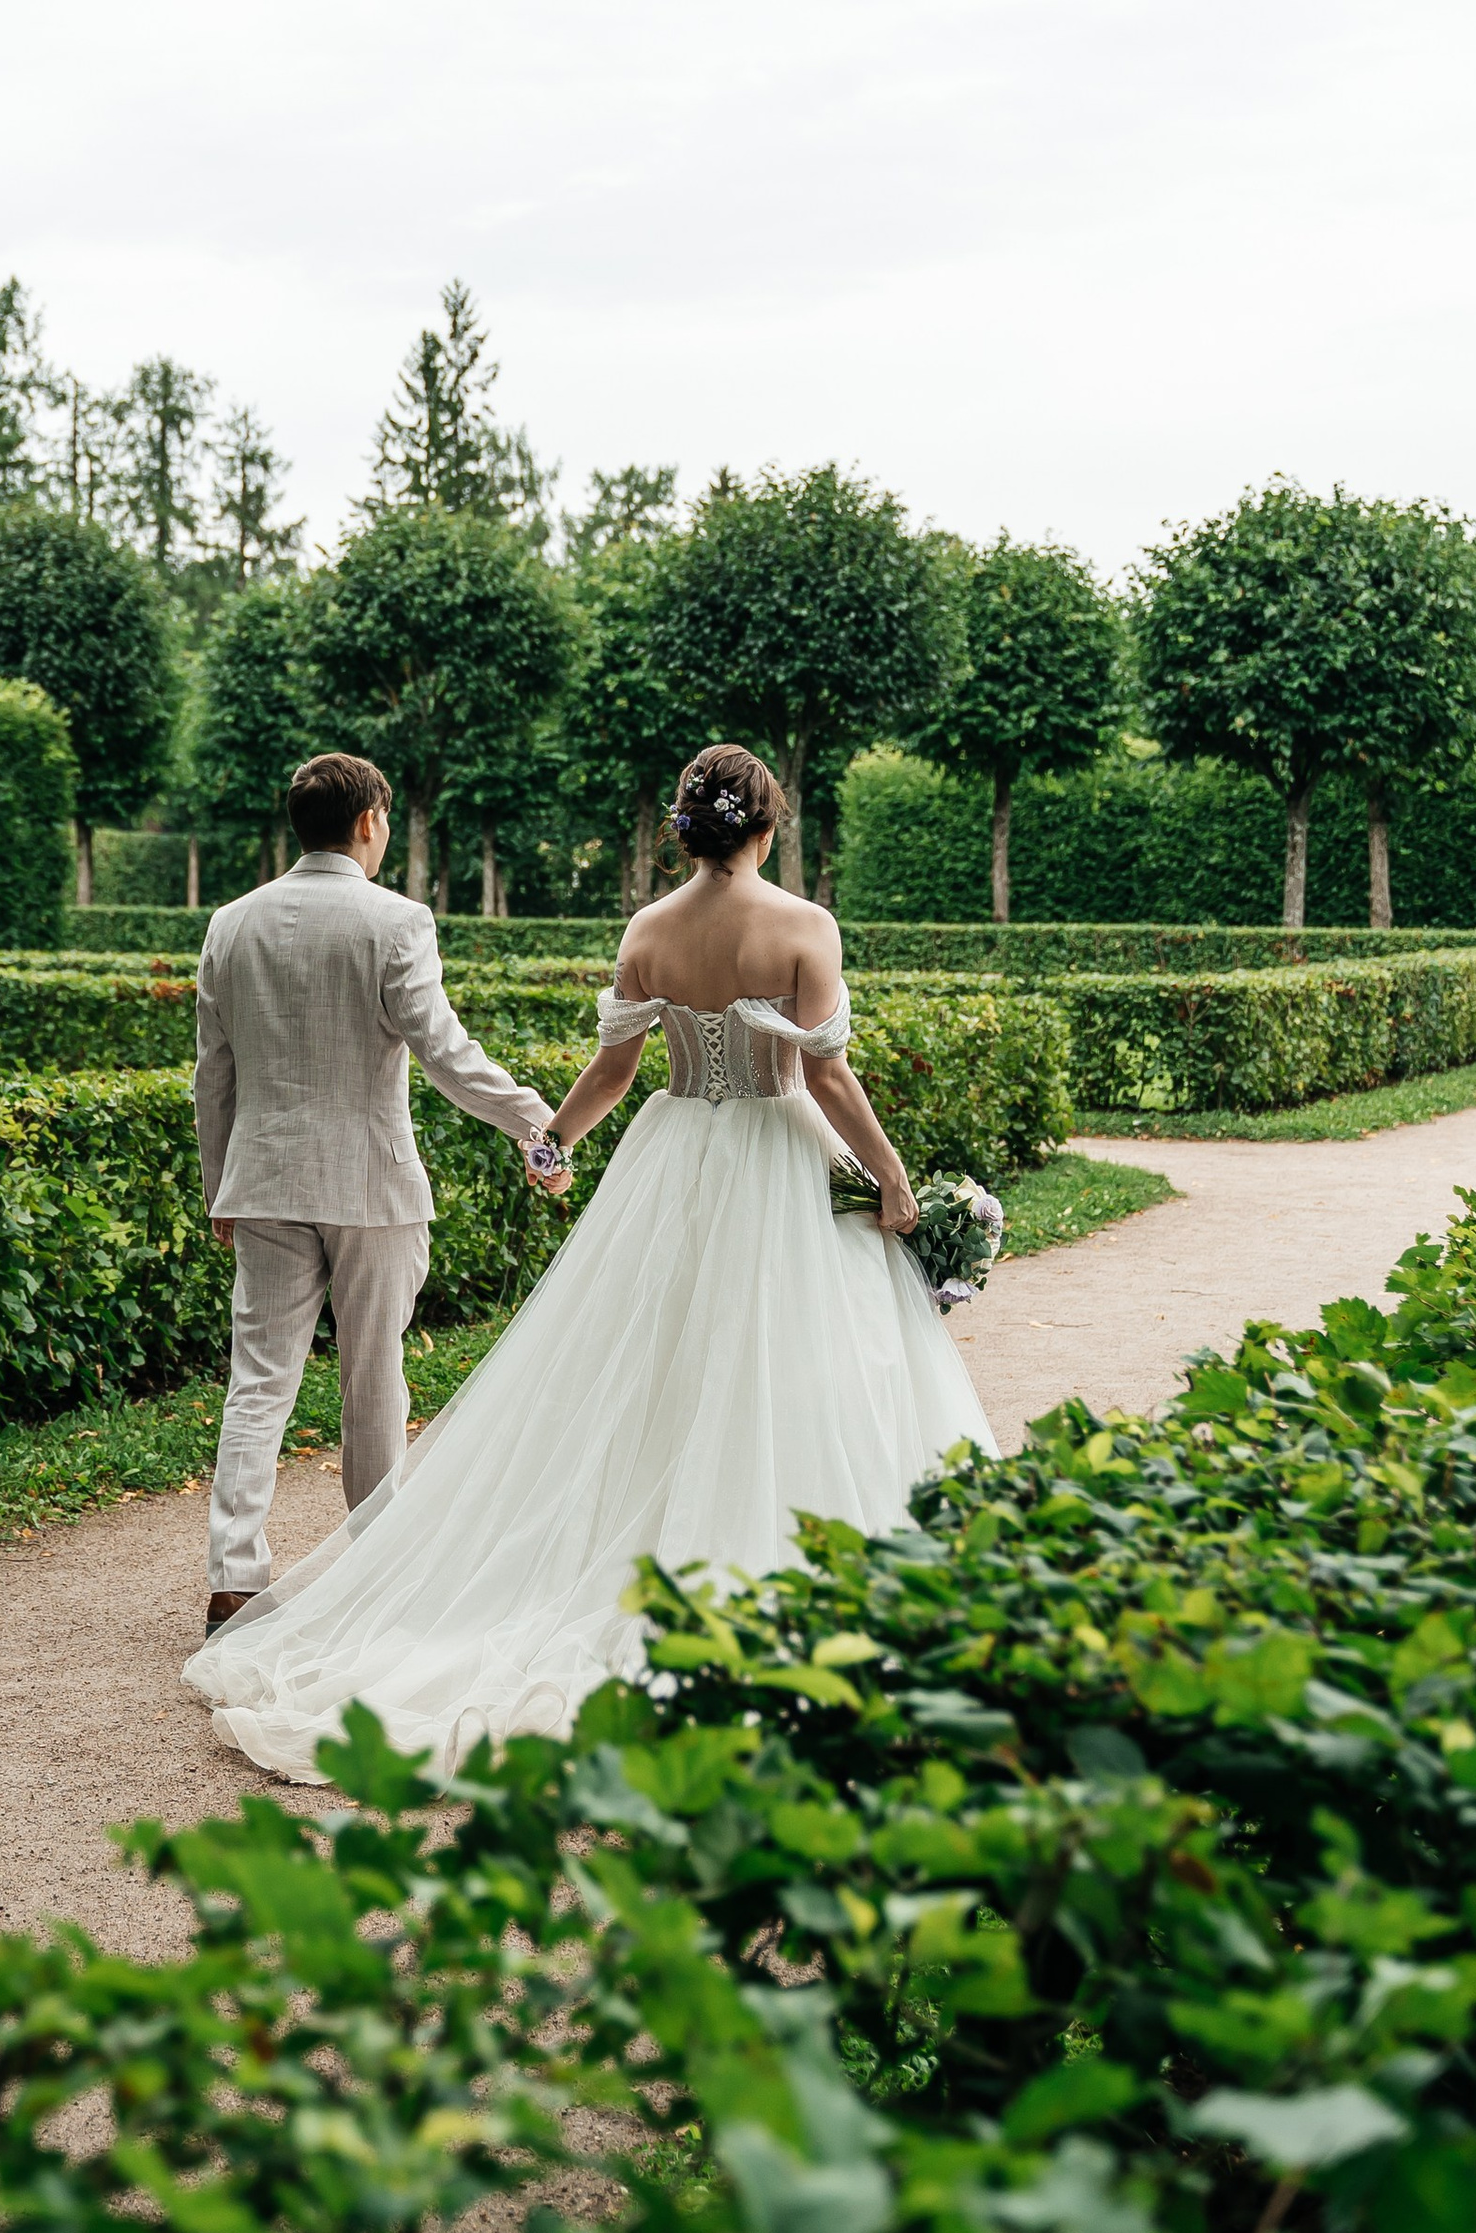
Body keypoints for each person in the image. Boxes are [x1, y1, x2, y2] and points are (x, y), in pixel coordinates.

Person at [186, 740, 996, 1783]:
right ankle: (779, 1569)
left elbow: (615, 1066)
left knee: (647, 1360)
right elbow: (827, 1076)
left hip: (673, 1153)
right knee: (796, 1359)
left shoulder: (649, 930)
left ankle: (278, 1571)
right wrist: (889, 1177)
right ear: (766, 824)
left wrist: (554, 1140)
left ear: (685, 828)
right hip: (776, 1148)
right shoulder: (804, 926)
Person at [192, 751, 571, 1636]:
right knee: (374, 1379)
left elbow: (213, 1076)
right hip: (373, 1183)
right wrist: (532, 1122)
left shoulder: (230, 924)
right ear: (369, 821)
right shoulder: (396, 921)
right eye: (388, 818)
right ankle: (377, 1571)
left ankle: (233, 1583)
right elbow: (444, 1050)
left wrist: (222, 1188)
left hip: (266, 1182)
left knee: (258, 1384)